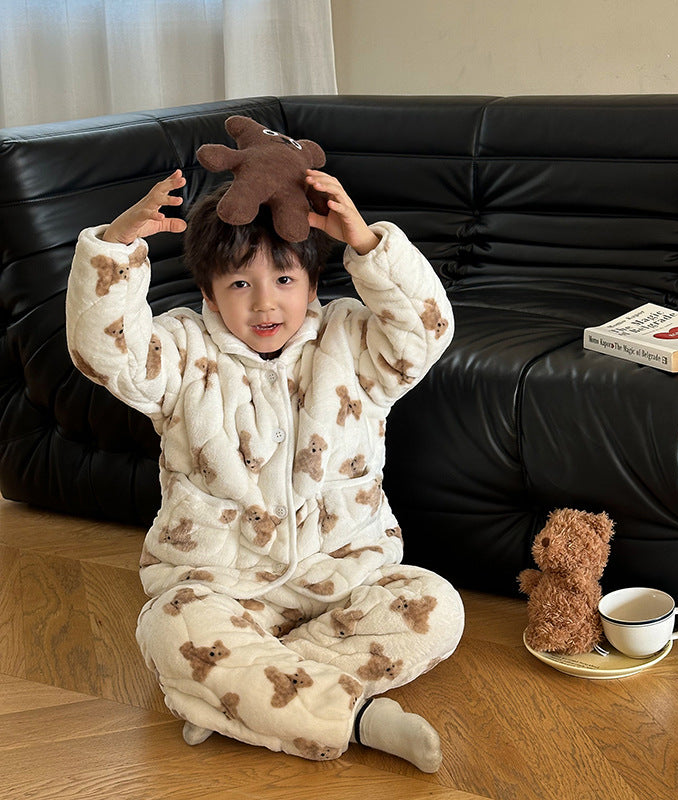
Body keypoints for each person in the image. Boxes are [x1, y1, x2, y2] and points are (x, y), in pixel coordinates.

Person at [65, 167, 464, 772]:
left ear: (311, 280)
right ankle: (357, 718)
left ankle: (227, 700)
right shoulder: (180, 351)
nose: (265, 302)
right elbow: (102, 353)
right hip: (224, 589)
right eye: (239, 283)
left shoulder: (353, 343)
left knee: (438, 606)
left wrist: (365, 243)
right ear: (207, 290)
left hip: (344, 585)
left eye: (284, 278)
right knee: (168, 626)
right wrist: (116, 247)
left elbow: (426, 330)